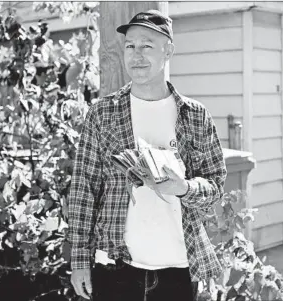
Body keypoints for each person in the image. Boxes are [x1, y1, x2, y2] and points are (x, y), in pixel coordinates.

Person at [68, 9, 227, 301]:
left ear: (168, 51)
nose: (136, 54)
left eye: (147, 46)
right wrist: (79, 260)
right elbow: (83, 190)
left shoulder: (195, 115)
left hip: (178, 269)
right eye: (130, 46)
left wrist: (185, 188)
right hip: (116, 267)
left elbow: (216, 186)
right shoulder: (103, 113)